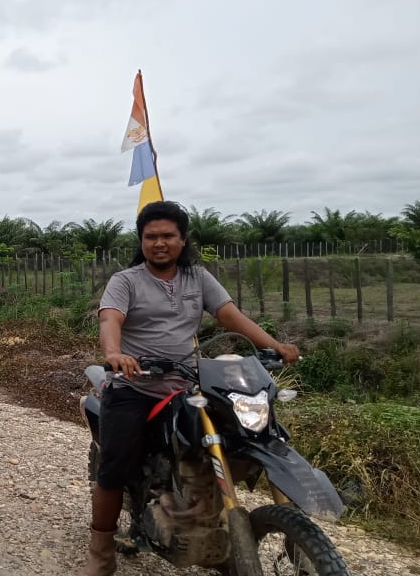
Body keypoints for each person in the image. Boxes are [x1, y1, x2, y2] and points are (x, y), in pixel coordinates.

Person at [84, 201, 300, 575]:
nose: (159, 242)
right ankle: (101, 551)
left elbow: (229, 316)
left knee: (238, 435)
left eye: (168, 235)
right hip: (136, 385)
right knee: (114, 467)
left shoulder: (197, 277)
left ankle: (216, 524)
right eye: (151, 236)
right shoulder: (126, 281)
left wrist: (274, 346)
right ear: (142, 241)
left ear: (183, 240)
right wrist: (115, 353)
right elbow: (110, 319)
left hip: (186, 383)